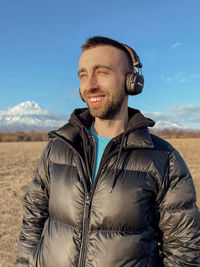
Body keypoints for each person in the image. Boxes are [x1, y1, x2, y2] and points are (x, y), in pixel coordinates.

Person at [16, 36, 200, 267]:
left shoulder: (165, 159)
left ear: (132, 81)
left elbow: (184, 252)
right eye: (83, 74)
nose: (89, 84)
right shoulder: (58, 147)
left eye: (101, 72)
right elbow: (32, 221)